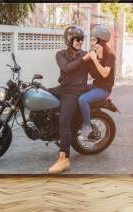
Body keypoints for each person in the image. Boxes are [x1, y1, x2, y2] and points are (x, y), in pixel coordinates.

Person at [47, 26, 92, 174]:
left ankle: (64, 159)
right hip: (64, 88)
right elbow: (66, 68)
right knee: (42, 93)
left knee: (64, 120)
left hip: (75, 92)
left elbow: (97, 68)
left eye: (81, 39)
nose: (80, 42)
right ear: (69, 39)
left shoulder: (85, 55)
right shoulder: (60, 54)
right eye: (76, 39)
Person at [79, 24, 116, 138]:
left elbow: (105, 73)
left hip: (104, 89)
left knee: (82, 100)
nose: (91, 42)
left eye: (93, 40)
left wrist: (95, 59)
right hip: (95, 86)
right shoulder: (96, 53)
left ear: (101, 41)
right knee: (75, 90)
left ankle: (87, 126)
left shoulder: (110, 54)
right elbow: (93, 73)